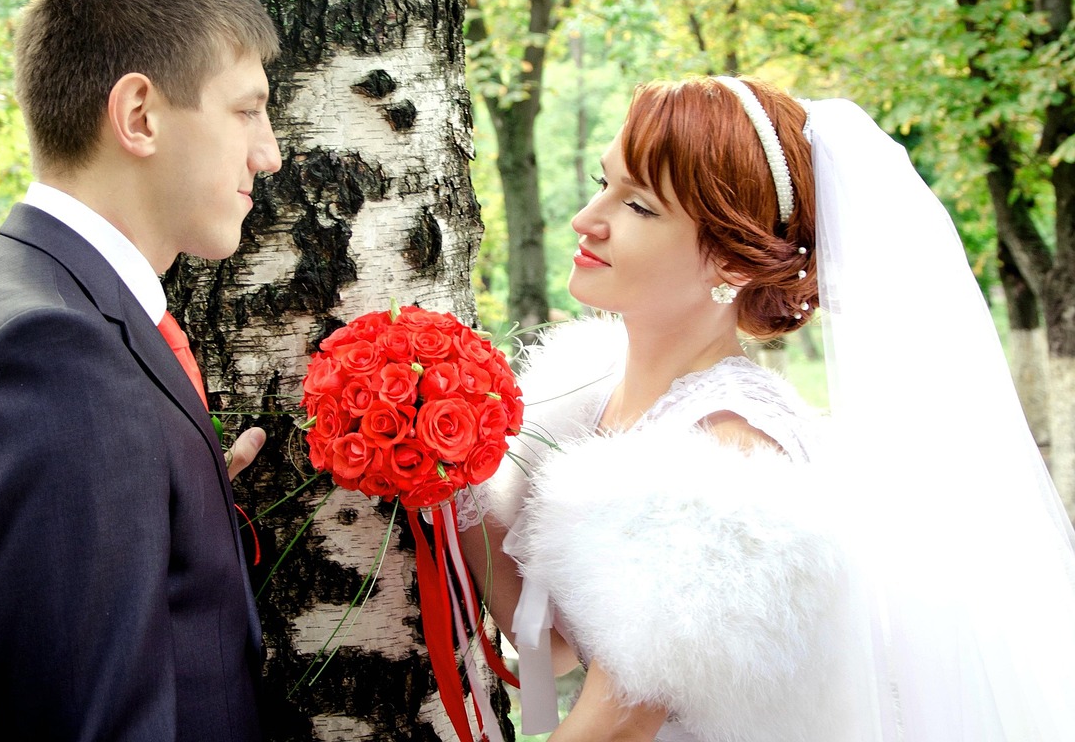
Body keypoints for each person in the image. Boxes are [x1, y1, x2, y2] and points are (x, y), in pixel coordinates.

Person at [460, 76, 1075, 741]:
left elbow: (618, 727)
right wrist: (449, 476)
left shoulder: (729, 456)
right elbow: (552, 644)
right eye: (601, 182)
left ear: (730, 260)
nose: (588, 218)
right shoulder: (590, 396)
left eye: (638, 206)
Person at [0, 0, 281, 741]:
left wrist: (159, 510)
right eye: (246, 110)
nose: (270, 153)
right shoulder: (56, 354)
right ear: (140, 115)